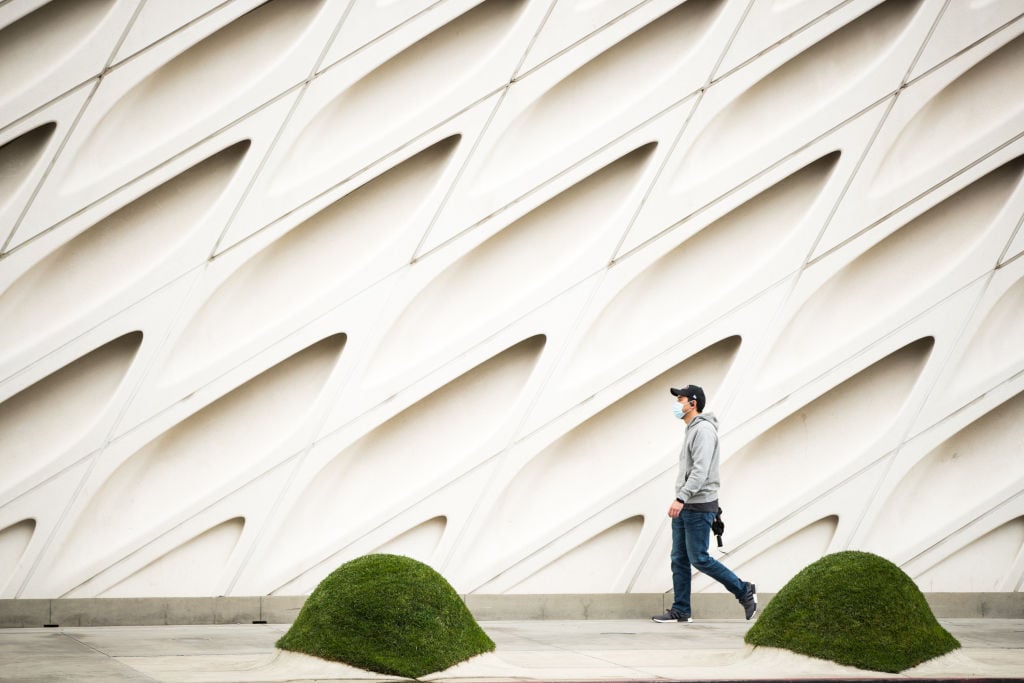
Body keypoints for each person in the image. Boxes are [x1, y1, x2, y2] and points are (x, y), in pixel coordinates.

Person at [652, 384, 756, 623]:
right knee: (679, 558)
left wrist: (681, 498)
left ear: (693, 403)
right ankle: (681, 610)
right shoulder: (691, 430)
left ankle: (744, 590)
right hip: (687, 505)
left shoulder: (704, 431)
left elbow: (700, 471)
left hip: (697, 505)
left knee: (698, 557)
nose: (677, 404)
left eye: (680, 399)